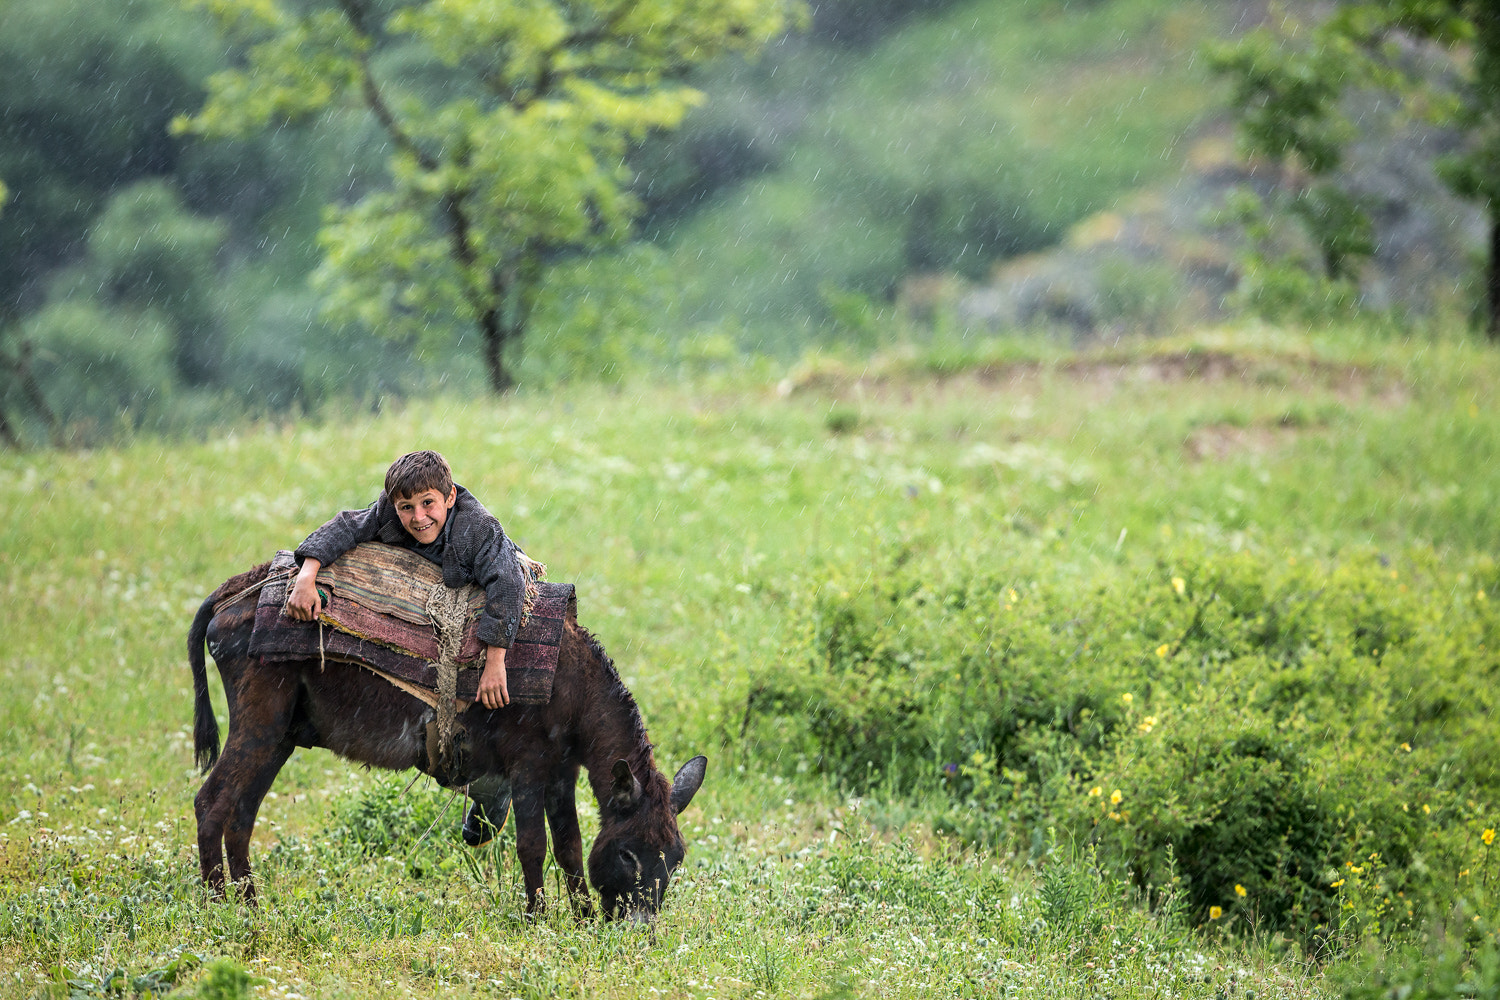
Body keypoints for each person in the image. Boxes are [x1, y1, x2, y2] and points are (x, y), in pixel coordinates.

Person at [286, 449, 526, 711]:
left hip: (492, 563)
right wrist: (305, 579)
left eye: (427, 503)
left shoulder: (479, 529)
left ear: (450, 497)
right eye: (407, 508)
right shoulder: (388, 514)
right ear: (394, 505)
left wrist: (494, 662)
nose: (419, 517)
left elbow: (507, 583)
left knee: (508, 581)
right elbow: (345, 526)